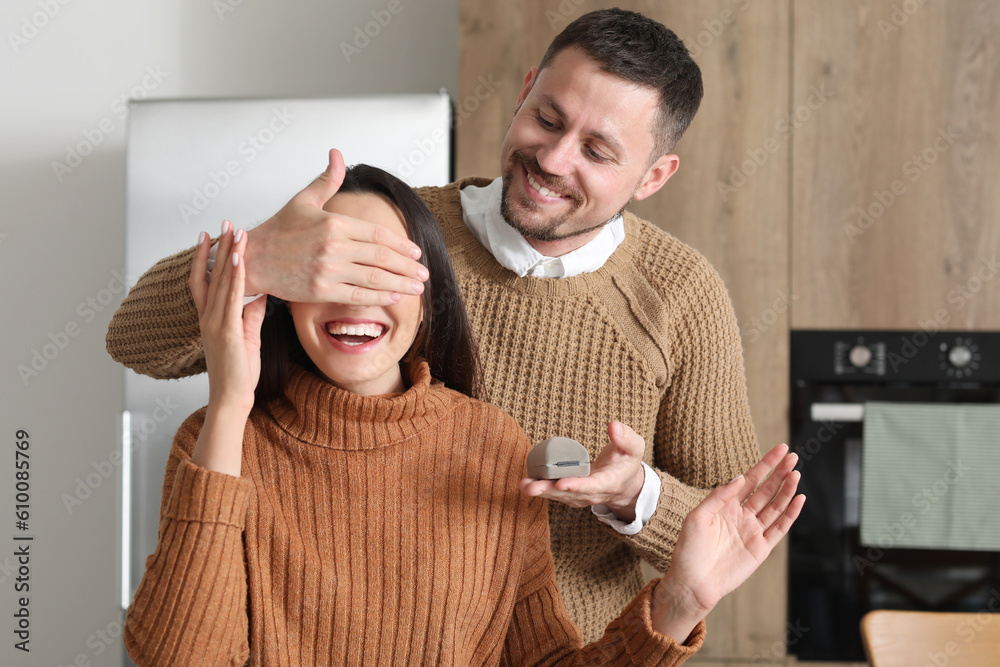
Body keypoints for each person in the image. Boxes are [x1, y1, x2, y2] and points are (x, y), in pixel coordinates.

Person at [108, 9, 764, 640]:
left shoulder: (682, 297)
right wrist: (251, 258)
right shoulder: (394, 227)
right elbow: (134, 339)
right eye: (548, 118)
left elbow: (730, 530)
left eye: (596, 150)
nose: (555, 159)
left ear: (653, 176)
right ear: (525, 90)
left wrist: (634, 496)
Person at [122, 163, 802, 666]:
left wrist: (679, 601)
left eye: (386, 272)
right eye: (332, 273)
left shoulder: (489, 444)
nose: (357, 302)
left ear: (430, 298)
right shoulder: (218, 441)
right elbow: (179, 657)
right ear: (288, 291)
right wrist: (231, 402)